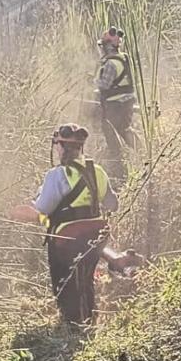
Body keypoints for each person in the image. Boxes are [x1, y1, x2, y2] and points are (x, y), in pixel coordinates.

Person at [31, 123, 118, 324]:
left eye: (57, 145)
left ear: (60, 147)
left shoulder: (56, 175)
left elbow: (42, 208)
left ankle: (72, 324)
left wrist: (33, 203)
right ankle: (90, 317)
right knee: (86, 278)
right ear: (81, 148)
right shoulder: (98, 171)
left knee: (66, 282)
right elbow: (112, 205)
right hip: (97, 235)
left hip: (67, 238)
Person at [95, 27, 135, 161]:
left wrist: (94, 81)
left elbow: (104, 85)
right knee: (125, 129)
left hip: (115, 104)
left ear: (107, 46)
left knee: (110, 129)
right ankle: (143, 151)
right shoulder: (123, 58)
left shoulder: (110, 63)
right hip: (127, 101)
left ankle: (117, 159)